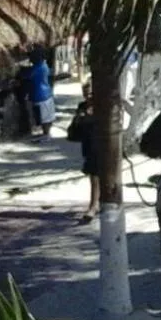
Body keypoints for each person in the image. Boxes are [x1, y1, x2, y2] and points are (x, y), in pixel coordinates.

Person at [66, 82, 99, 223]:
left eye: (91, 93)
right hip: (89, 146)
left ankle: (94, 205)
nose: (88, 96)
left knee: (97, 177)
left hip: (102, 145)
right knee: (94, 177)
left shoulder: (103, 107)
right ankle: (95, 204)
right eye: (85, 93)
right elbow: (76, 127)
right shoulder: (82, 107)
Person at [26, 47, 56, 137]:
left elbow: (27, 76)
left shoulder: (37, 68)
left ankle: (45, 134)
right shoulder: (44, 65)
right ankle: (46, 133)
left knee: (43, 118)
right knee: (48, 117)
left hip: (40, 96)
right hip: (47, 94)